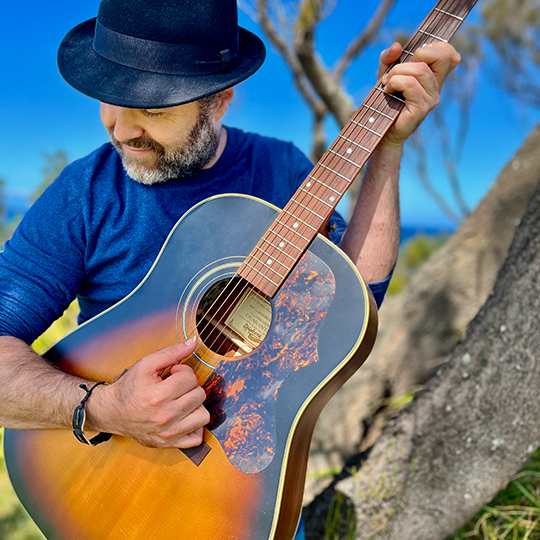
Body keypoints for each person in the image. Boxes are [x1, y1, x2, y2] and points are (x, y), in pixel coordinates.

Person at [0, 0, 461, 537]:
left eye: (152, 111)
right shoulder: (85, 194)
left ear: (219, 101)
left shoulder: (279, 167)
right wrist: (104, 409)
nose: (121, 130)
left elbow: (355, 301)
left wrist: (388, 146)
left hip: (245, 502)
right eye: (110, 101)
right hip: (105, 482)